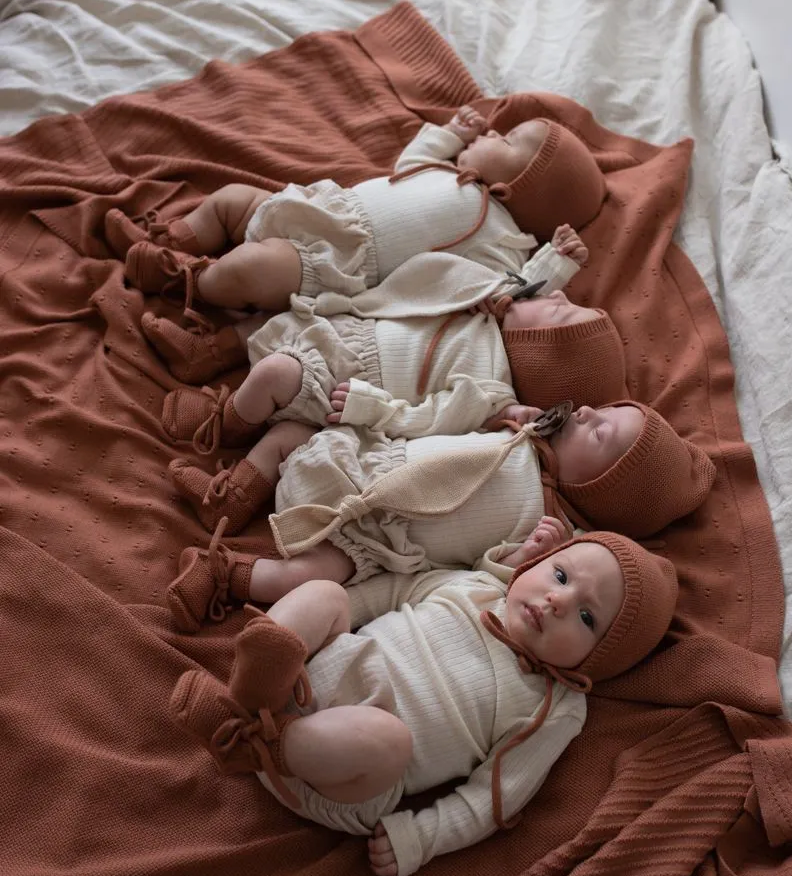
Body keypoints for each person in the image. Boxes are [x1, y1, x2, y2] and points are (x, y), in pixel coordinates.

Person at [170, 528, 678, 876]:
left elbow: (494, 797)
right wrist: (328, 624)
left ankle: (257, 744)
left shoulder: (555, 706)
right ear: (538, 563)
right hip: (299, 683)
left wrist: (420, 838)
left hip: (339, 774)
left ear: (598, 659)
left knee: (388, 740)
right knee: (326, 593)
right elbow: (394, 590)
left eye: (586, 618)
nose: (558, 602)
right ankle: (245, 696)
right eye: (561, 577)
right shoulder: (476, 587)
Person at [164, 398, 715, 631]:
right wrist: (504, 414)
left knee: (309, 575)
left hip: (378, 537)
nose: (589, 410)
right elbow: (459, 415)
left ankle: (228, 574)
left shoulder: (562, 541)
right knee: (292, 436)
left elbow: (484, 577)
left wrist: (521, 559)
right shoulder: (529, 433)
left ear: (607, 484)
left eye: (602, 431)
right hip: (365, 464)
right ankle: (234, 493)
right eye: (603, 409)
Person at [104, 102, 606, 325]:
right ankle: (171, 239)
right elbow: (407, 162)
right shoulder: (441, 170)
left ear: (517, 187)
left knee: (249, 268)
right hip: (315, 207)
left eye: (507, 140)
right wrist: (450, 132)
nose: (492, 132)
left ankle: (181, 279)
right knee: (233, 199)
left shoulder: (500, 236)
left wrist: (555, 262)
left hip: (333, 264)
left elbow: (512, 291)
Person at [160, 250, 632, 458]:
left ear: (541, 355)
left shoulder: (490, 388)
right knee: (274, 323)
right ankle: (208, 351)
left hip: (349, 380)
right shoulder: (485, 309)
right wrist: (556, 263)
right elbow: (514, 284)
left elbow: (431, 421)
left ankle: (222, 424)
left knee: (274, 373)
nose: (560, 298)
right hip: (346, 330)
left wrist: (370, 407)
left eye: (566, 313)